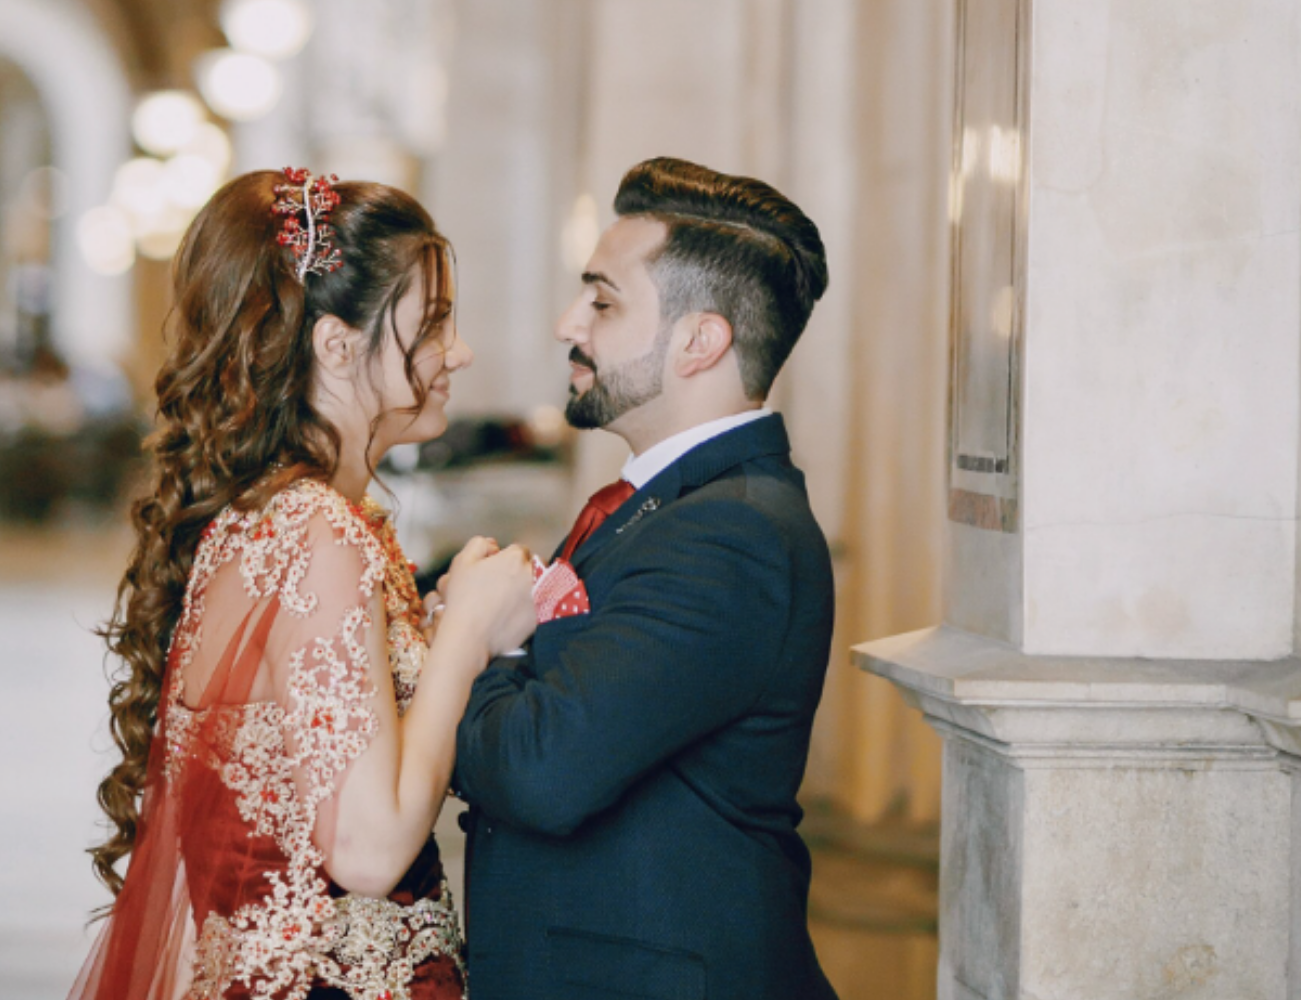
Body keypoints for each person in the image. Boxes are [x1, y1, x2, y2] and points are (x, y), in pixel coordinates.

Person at [69, 169, 536, 1000]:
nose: (458, 352)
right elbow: (367, 851)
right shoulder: (317, 533)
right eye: (432, 324)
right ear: (336, 345)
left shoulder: (272, 520)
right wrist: (464, 636)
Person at [452, 157, 839, 999]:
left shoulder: (730, 533)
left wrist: (474, 647)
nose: (568, 324)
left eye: (602, 302)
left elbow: (543, 770)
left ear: (701, 342)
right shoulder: (666, 505)